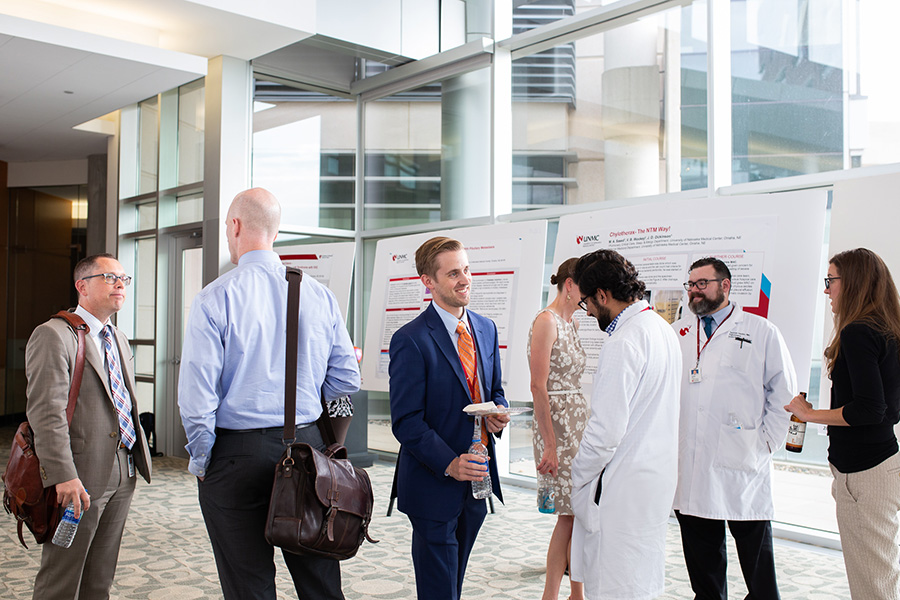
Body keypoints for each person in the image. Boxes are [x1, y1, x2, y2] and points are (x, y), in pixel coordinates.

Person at [177, 188, 360, 600]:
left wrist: (203, 459)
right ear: (274, 232)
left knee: (248, 585)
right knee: (319, 578)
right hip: (307, 448)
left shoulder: (214, 298)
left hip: (236, 456)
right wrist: (324, 437)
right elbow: (347, 378)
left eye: (227, 227)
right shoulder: (318, 294)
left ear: (236, 226)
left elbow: (197, 397)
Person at [389, 236, 511, 600]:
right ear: (428, 281)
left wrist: (498, 414)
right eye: (454, 273)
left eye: (467, 270)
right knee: (438, 587)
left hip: (478, 480)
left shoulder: (485, 328)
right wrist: (451, 464)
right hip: (433, 480)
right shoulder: (410, 339)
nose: (465, 279)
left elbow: (495, 390)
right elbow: (406, 421)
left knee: (452, 582)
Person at [25, 253, 152, 599]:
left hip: (123, 470)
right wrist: (62, 474)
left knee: (100, 576)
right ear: (82, 286)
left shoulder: (118, 338)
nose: (120, 285)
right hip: (79, 474)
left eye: (124, 279)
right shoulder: (54, 335)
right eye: (110, 277)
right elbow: (46, 413)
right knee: (62, 578)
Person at [671, 257, 796, 600]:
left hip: (743, 457)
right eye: (691, 285)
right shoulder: (679, 332)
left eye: (702, 284)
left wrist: (767, 442)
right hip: (692, 460)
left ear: (725, 286)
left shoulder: (760, 331)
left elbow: (783, 392)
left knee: (757, 560)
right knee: (702, 558)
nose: (694, 291)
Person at [786, 247, 900, 600]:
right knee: (878, 575)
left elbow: (869, 408)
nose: (826, 290)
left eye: (830, 280)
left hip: (865, 474)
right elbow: (887, 410)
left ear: (851, 282)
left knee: (872, 583)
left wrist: (808, 414)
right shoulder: (887, 329)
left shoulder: (858, 332)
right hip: (879, 466)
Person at [569, 249, 681, 600]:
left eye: (586, 301)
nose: (586, 311)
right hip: (655, 479)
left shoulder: (623, 341)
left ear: (602, 295)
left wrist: (578, 474)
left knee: (614, 585)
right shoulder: (661, 329)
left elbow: (606, 432)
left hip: (623, 485)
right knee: (642, 580)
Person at [528, 257, 589, 600]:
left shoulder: (573, 324)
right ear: (569, 284)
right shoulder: (545, 321)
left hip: (578, 423)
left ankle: (575, 592)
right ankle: (554, 594)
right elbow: (538, 386)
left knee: (577, 514)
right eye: (584, 287)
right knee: (568, 515)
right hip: (557, 427)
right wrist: (549, 444)